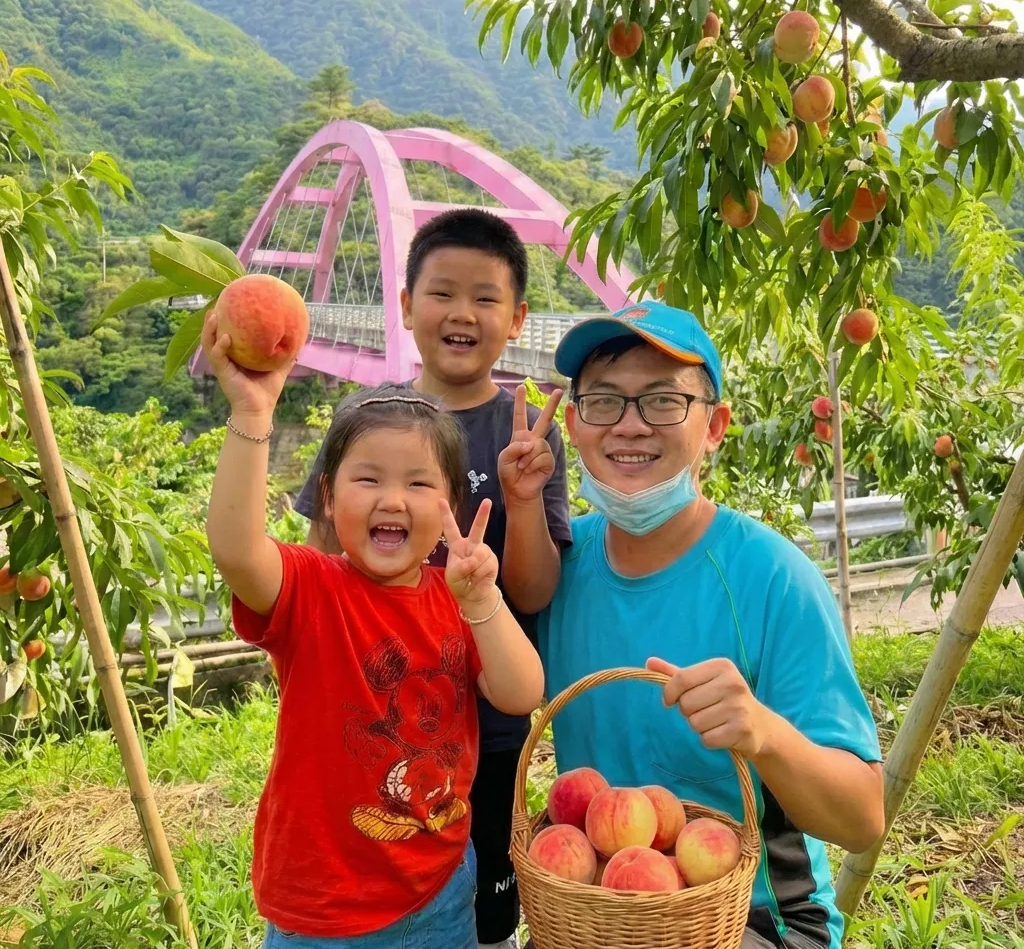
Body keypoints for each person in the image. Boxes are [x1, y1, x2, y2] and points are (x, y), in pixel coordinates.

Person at [528, 301, 885, 949]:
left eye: (663, 401)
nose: (630, 427)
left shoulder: (774, 579)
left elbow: (862, 818)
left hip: (750, 920)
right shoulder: (554, 568)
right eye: (604, 401)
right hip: (604, 910)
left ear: (715, 426)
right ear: (574, 424)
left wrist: (765, 733)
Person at [202, 309, 545, 949]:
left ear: (451, 507)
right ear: (329, 498)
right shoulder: (311, 588)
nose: (393, 500)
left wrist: (485, 601)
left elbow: (522, 692)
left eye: (418, 483)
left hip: (440, 888)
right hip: (320, 907)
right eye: (368, 480)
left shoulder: (456, 599)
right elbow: (238, 550)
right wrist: (252, 415)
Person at [295, 207, 571, 949]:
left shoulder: (528, 426)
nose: (463, 313)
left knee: (482, 917)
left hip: (493, 725)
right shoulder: (367, 416)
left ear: (517, 319)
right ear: (407, 305)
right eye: (443, 292)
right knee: (371, 883)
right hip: (379, 724)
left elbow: (537, 593)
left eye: (486, 298)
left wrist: (521, 498)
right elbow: (322, 563)